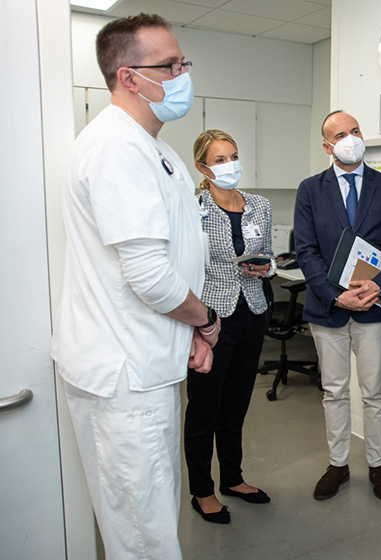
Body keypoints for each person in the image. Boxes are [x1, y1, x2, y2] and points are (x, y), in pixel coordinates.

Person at [51, 14, 217, 559]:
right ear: (128, 77)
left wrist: (188, 333)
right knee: (142, 533)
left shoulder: (159, 150)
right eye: (170, 65)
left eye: (182, 62)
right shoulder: (115, 147)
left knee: (152, 513)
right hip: (125, 374)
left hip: (152, 362)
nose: (182, 73)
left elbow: (177, 259)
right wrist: (205, 321)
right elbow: (147, 275)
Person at [294, 110, 381, 502]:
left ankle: (377, 464)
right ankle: (338, 464)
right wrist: (334, 295)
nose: (351, 138)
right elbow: (306, 250)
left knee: (375, 391)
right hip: (328, 309)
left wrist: (380, 286)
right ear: (327, 146)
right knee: (334, 391)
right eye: (341, 134)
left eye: (356, 131)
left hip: (374, 308)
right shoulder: (310, 189)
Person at [184, 130, 274, 524]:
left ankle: (233, 478)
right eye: (219, 159)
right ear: (203, 167)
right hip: (211, 319)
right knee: (205, 406)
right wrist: (193, 325)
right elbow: (186, 269)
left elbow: (269, 254)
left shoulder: (259, 205)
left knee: (236, 404)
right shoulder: (192, 207)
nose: (229, 165)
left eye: (233, 156)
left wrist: (266, 266)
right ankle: (202, 490)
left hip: (253, 311)